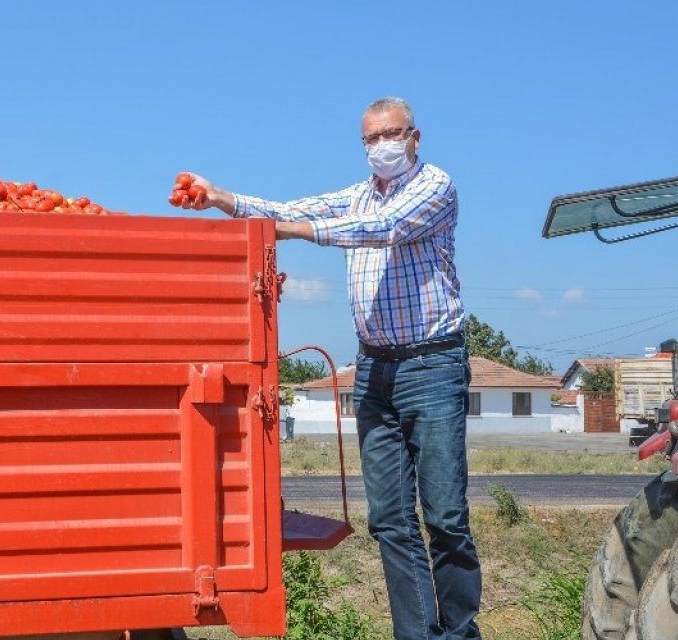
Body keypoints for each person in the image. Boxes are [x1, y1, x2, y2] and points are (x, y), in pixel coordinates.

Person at [182, 96, 481, 640]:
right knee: (389, 520)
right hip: (375, 369)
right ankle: (417, 634)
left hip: (431, 365)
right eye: (371, 138)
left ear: (415, 137)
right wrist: (223, 198)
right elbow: (295, 208)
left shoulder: (434, 187)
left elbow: (382, 227)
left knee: (444, 516)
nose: (382, 146)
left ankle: (460, 632)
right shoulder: (357, 195)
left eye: (391, 135)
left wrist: (294, 232)